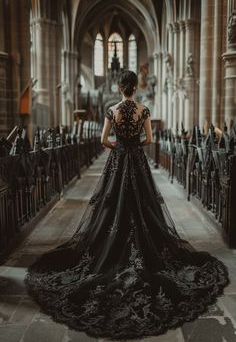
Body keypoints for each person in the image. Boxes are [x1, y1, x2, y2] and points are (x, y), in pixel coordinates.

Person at [25, 70, 229, 340]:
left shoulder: (112, 110)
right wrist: (135, 146)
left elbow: (102, 140)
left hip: (119, 160)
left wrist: (118, 147)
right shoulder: (144, 109)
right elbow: (150, 140)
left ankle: (113, 244)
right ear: (135, 88)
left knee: (113, 204)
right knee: (143, 204)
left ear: (120, 88)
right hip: (137, 161)